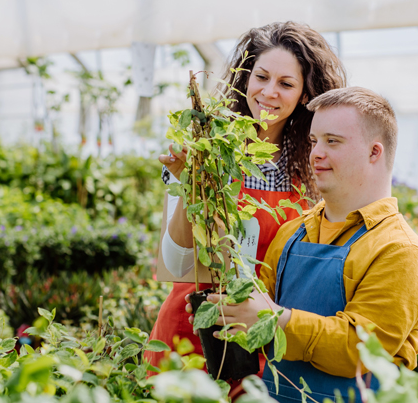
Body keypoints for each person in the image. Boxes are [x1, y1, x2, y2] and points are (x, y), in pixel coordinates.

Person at [189, 87, 418, 402]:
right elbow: (259, 314)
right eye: (314, 141)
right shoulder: (293, 232)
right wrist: (228, 313)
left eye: (332, 141)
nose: (316, 152)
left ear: (375, 152)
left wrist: (272, 319)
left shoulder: (400, 251)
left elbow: (359, 350)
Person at [145, 22, 347, 373]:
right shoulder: (206, 152)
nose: (269, 92)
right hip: (188, 332)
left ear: (303, 95)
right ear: (245, 79)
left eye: (285, 84)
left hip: (258, 345)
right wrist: (193, 182)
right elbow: (177, 264)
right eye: (261, 77)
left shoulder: (311, 176)